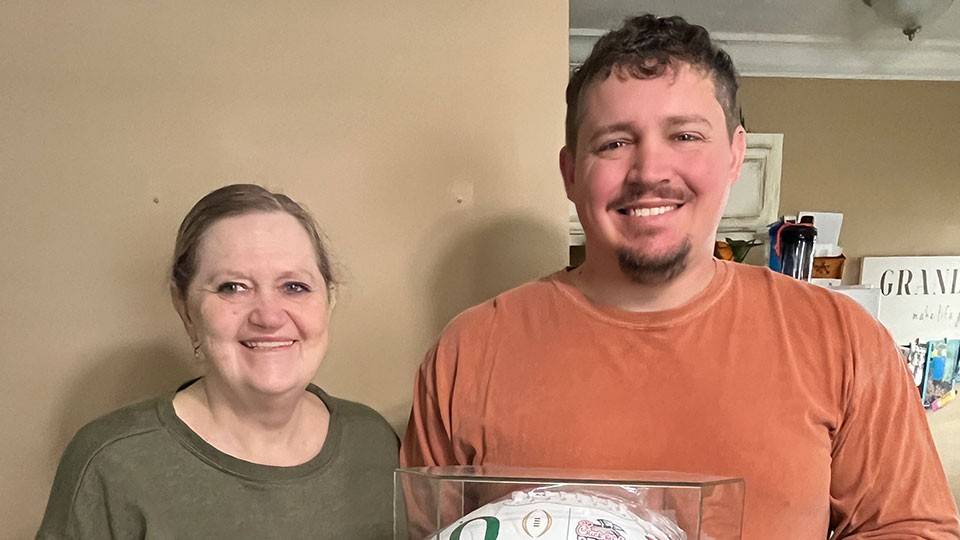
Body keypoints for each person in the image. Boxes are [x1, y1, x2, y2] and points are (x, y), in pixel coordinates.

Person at [401, 14, 960, 539]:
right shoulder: (468, 352)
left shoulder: (842, 339)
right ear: (571, 173)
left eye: (685, 136)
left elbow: (910, 527)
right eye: (614, 143)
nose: (649, 171)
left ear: (735, 156)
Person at [39, 184, 399, 538]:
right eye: (233, 287)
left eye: (294, 287)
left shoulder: (373, 441)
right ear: (186, 309)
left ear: (328, 301)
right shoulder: (112, 462)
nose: (269, 316)